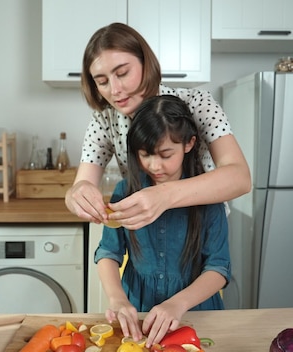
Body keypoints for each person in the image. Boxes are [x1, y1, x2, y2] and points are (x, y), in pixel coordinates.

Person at [65, 22, 251, 230]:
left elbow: (240, 178)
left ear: (146, 64)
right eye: (102, 81)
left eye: (123, 73)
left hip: (202, 235)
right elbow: (83, 184)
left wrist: (164, 195)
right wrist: (75, 194)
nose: (115, 90)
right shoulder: (103, 121)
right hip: (148, 240)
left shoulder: (197, 104)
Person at [94, 95, 230, 347]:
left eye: (166, 154)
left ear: (189, 144)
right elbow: (108, 252)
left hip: (196, 314)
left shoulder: (209, 196)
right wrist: (117, 299)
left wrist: (178, 303)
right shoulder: (126, 191)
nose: (154, 166)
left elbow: (219, 269)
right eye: (145, 155)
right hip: (140, 313)